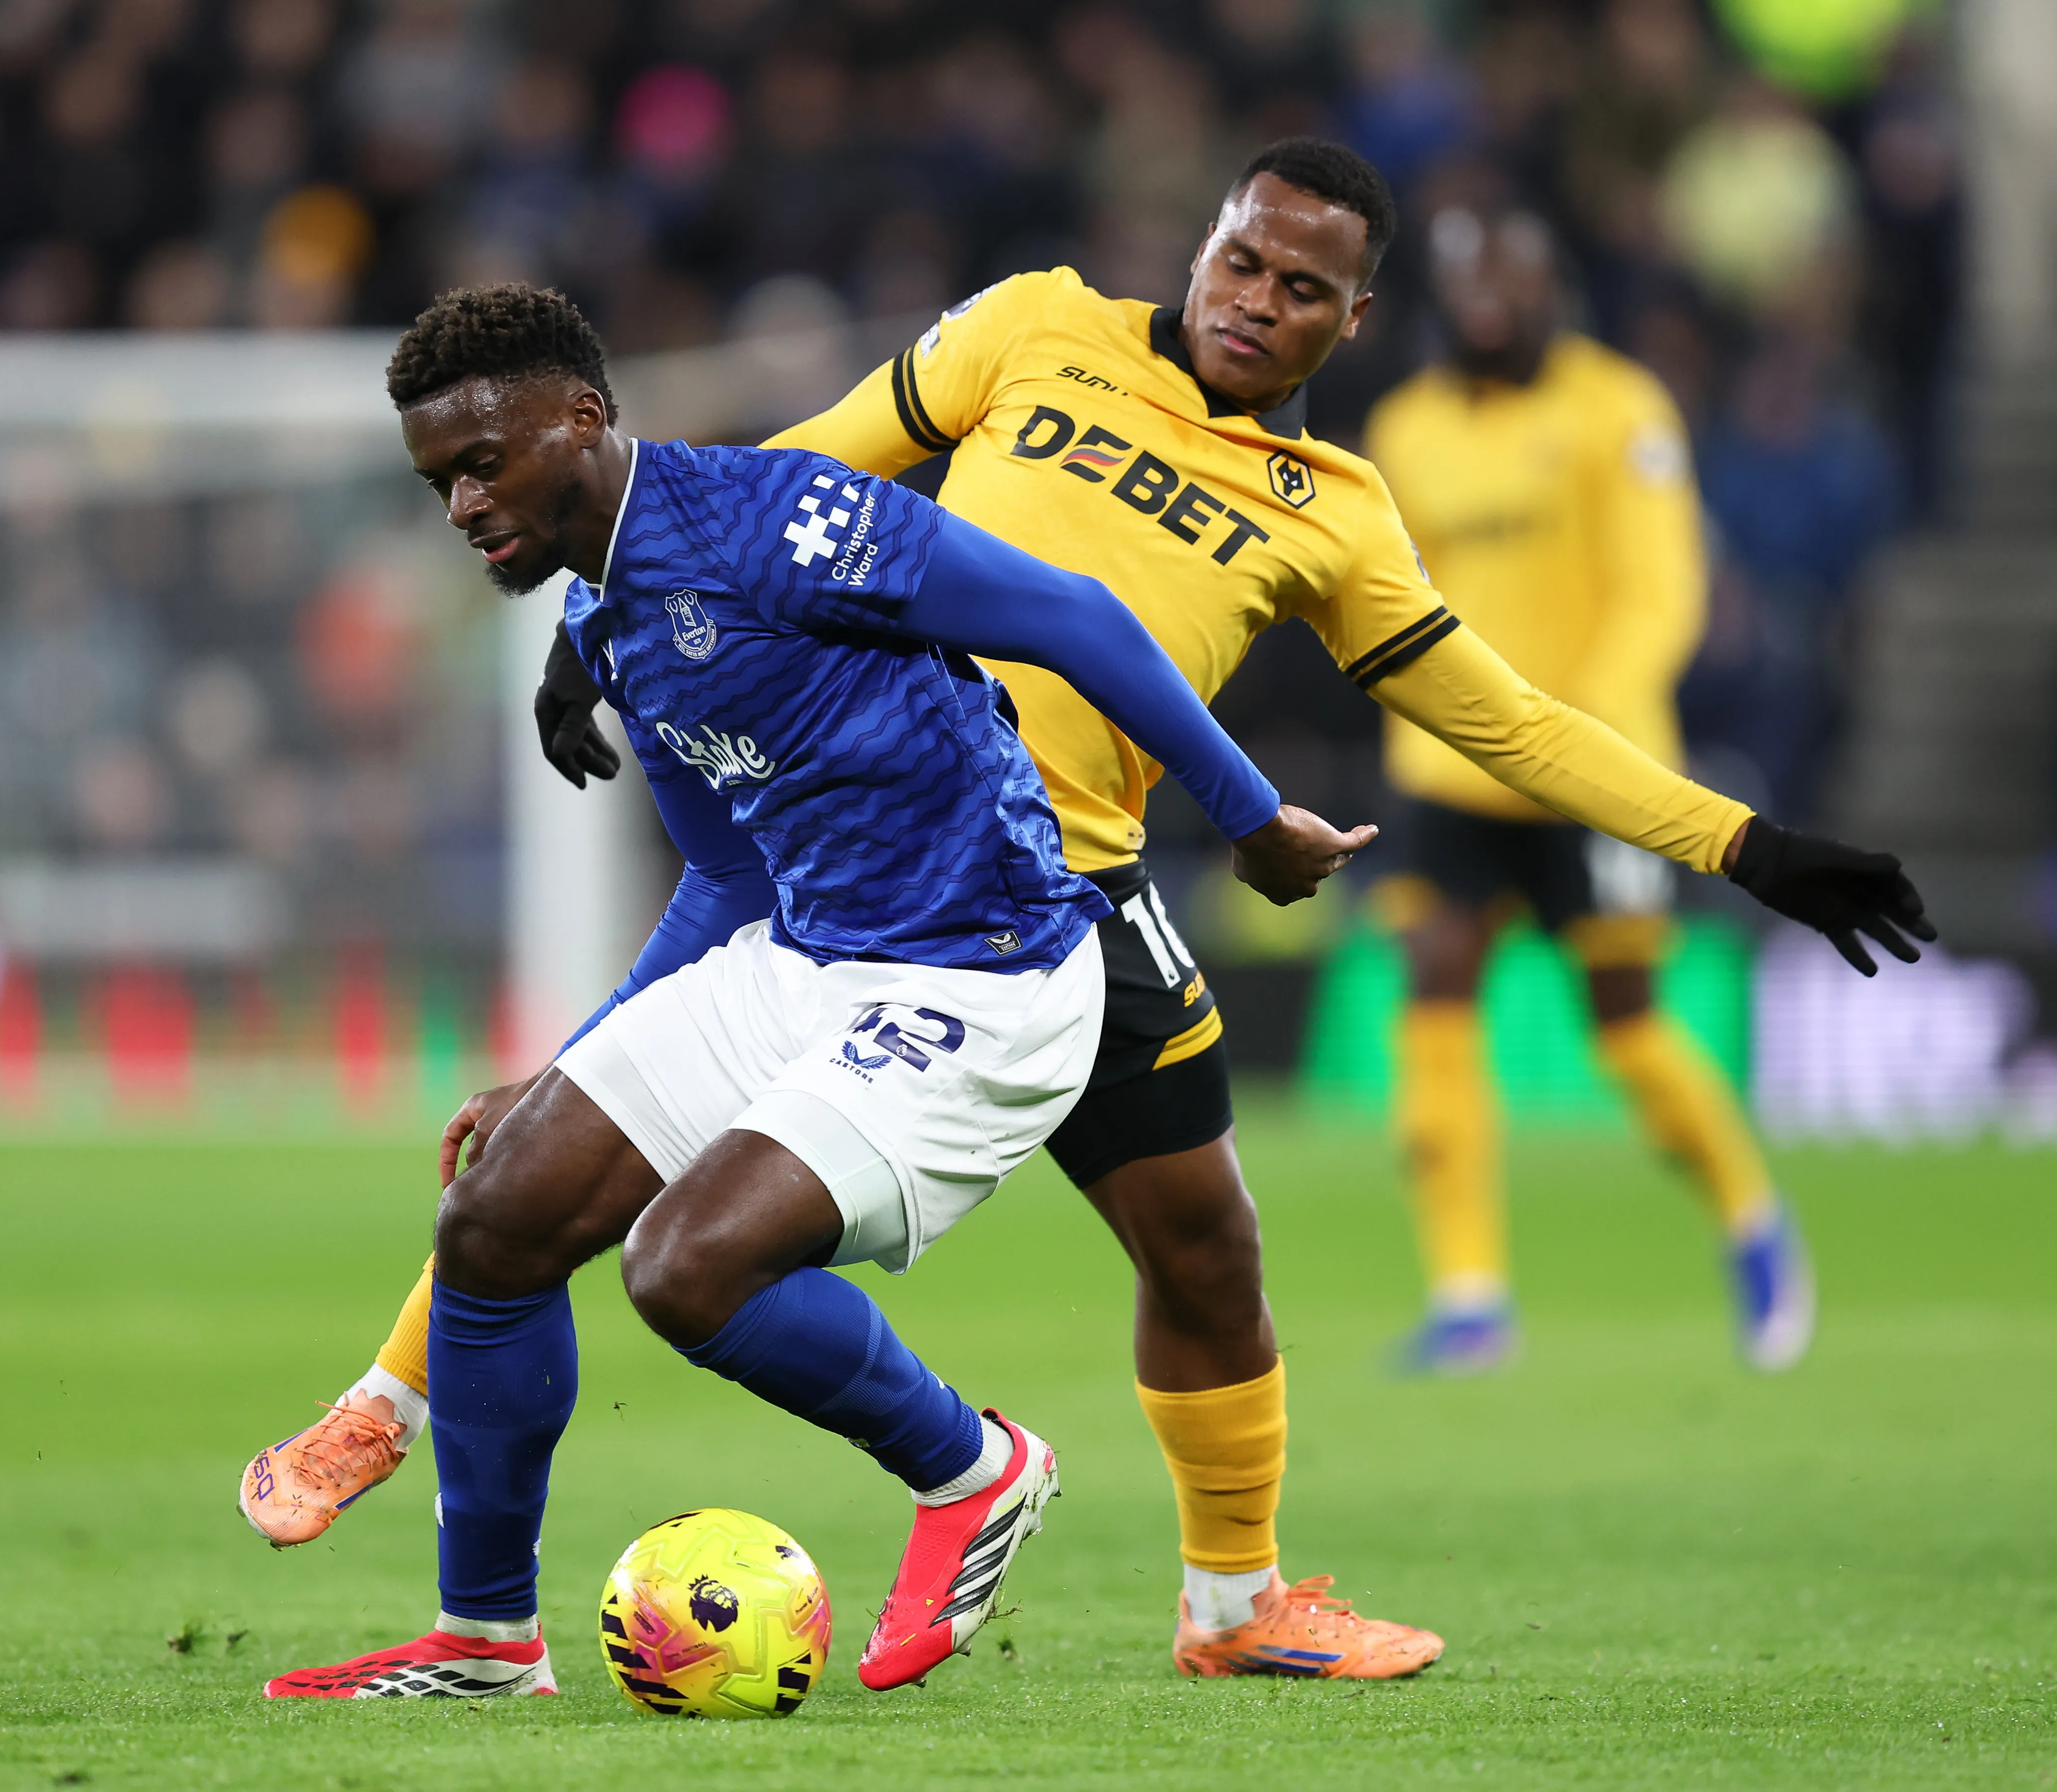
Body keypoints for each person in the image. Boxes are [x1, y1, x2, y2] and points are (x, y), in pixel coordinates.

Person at [247, 140, 1931, 1685]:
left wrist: (1743, 846)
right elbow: (790, 475)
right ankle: (391, 1409)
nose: (1253, 301)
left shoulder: (1332, 510)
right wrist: (596, 617)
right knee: (555, 1157)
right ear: (1203, 242)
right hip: (840, 864)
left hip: (1056, 902)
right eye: (1239, 258)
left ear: (1352, 319)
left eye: (1298, 288)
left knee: (1204, 1250)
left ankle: (1236, 1604)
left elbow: (1505, 724)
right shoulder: (1034, 326)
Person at [263, 281, 1383, 1699]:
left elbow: (1074, 617)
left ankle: (973, 1467)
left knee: (683, 1266)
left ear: (584, 419)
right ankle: (485, 1643)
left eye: (484, 463)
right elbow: (732, 882)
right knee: (494, 1219)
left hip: (983, 967)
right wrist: (574, 1065)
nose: (463, 505)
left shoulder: (786, 522)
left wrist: (1247, 807)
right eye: (438, 482)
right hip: (810, 956)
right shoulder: (613, 621)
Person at [1361, 199, 1811, 1374]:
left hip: (1588, 769)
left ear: (1548, 289)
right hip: (1448, 772)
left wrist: (1574, 726)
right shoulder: (1407, 430)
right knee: (1432, 990)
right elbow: (1386, 600)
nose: (1487, 308)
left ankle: (1751, 1221)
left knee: (1626, 1031)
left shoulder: (1620, 410)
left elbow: (1658, 592)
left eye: (1507, 286)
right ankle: (1468, 1296)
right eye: (1467, 290)